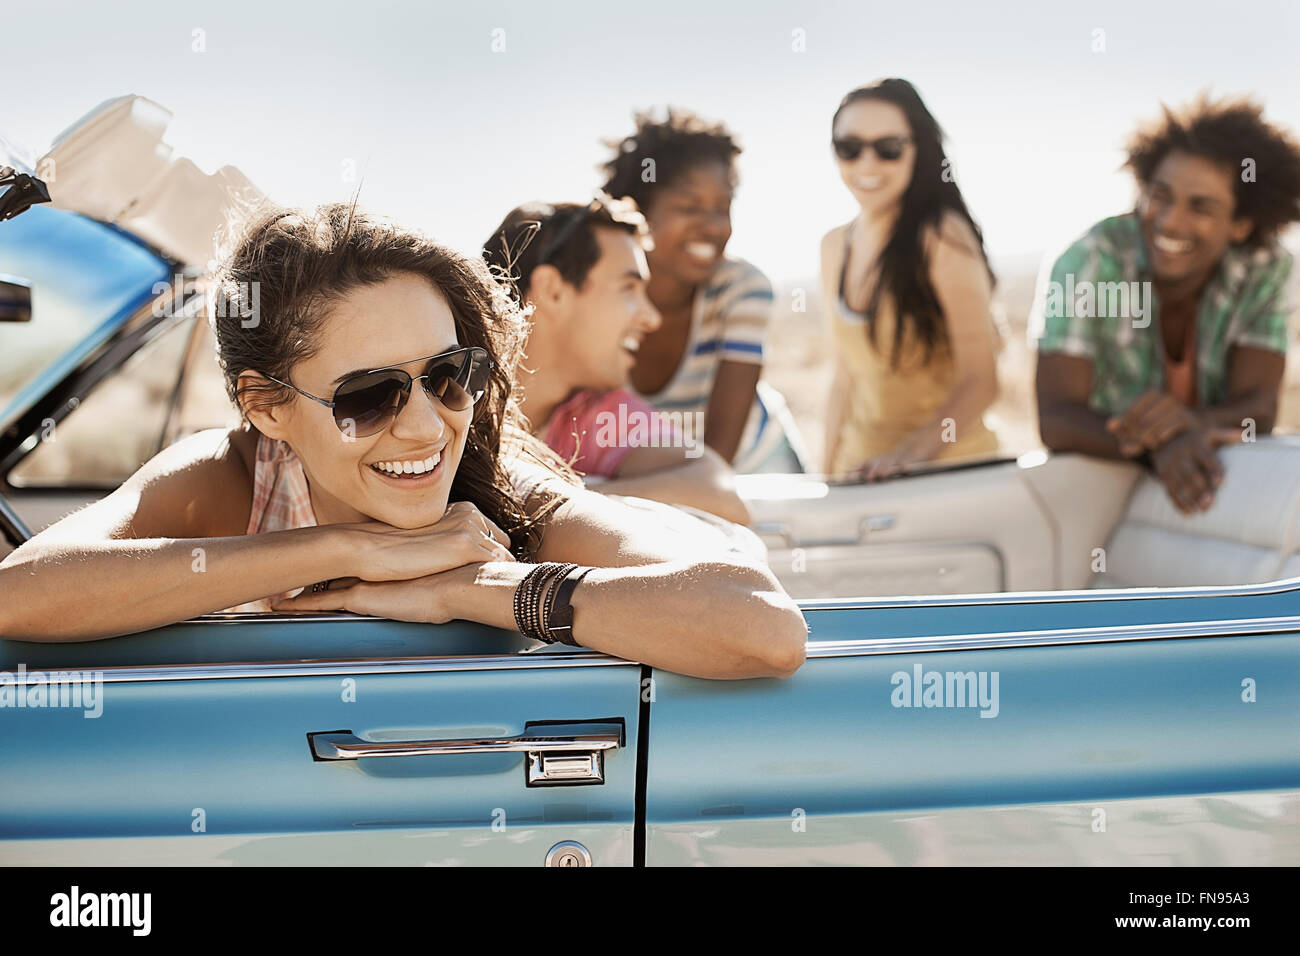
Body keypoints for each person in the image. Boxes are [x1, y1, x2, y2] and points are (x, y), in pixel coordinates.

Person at [0, 203, 807, 680]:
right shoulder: (232, 478)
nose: (426, 424)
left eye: (450, 374)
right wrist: (343, 549)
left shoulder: (503, 493)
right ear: (267, 405)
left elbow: (759, 621)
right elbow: (19, 593)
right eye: (370, 395)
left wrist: (472, 589)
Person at [1034, 95, 1300, 513]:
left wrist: (1190, 427)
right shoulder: (1089, 259)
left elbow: (1258, 409)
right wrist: (1159, 445)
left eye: (1201, 207)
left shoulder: (1265, 269)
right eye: (1160, 195)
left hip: (1210, 479)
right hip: (1100, 490)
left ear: (1241, 225)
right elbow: (1057, 418)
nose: (1171, 221)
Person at [481, 195, 749, 524]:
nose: (652, 318)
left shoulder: (594, 415)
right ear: (553, 291)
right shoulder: (446, 397)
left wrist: (560, 505)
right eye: (629, 288)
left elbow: (721, 495)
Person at [600, 108, 805, 473]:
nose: (712, 227)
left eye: (722, 208)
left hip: (757, 467)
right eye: (689, 206)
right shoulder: (598, 297)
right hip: (657, 478)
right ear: (637, 211)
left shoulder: (741, 289)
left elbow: (716, 465)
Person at [820, 79, 1001, 480]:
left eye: (888, 149)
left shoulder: (942, 238)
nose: (867, 164)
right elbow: (843, 378)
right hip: (858, 476)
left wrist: (908, 458)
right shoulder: (833, 245)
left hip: (948, 477)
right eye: (849, 148)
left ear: (917, 150)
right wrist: (825, 475)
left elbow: (981, 381)